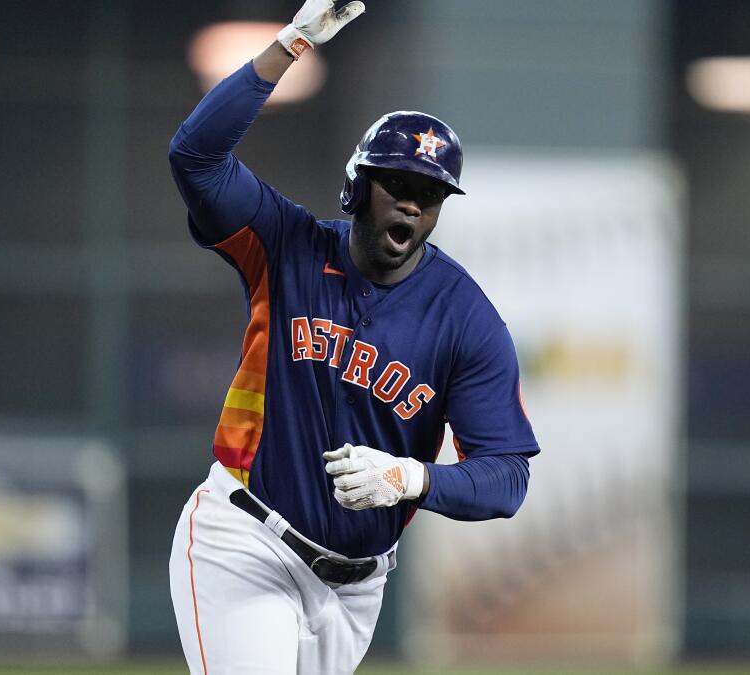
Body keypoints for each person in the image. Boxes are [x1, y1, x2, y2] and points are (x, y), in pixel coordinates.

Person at [166, 1, 539, 672]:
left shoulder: (465, 319)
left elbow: (507, 476)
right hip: (247, 541)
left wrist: (410, 476)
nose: (412, 204)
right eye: (397, 183)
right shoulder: (286, 247)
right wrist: (291, 43)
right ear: (356, 188)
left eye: (430, 193)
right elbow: (195, 158)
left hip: (357, 586)